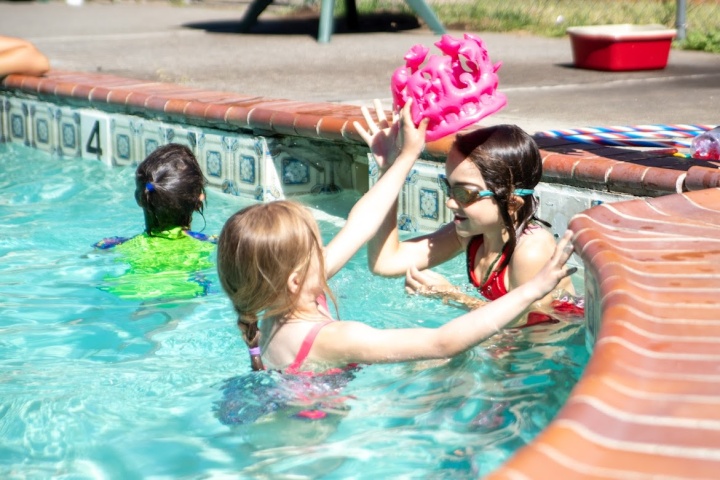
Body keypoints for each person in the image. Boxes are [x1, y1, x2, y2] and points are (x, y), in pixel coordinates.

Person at [216, 101, 577, 374]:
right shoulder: (331, 335)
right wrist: (453, 296)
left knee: (431, 371)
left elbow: (360, 226)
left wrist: (398, 161)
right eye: (316, 247)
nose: (451, 201)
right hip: (310, 441)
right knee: (431, 366)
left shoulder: (275, 304)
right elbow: (439, 341)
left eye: (464, 193)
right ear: (297, 277)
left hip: (530, 355)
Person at [354, 101, 579, 327]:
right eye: (448, 187)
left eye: (464, 193)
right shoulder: (471, 234)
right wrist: (389, 170)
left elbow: (531, 326)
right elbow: (385, 263)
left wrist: (451, 296)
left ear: (511, 203)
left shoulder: (531, 251)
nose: (450, 202)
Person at [94, 143, 217, 300]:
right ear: (199, 199)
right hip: (186, 292)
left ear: (139, 198)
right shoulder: (214, 244)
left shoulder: (108, 245)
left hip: (124, 291)